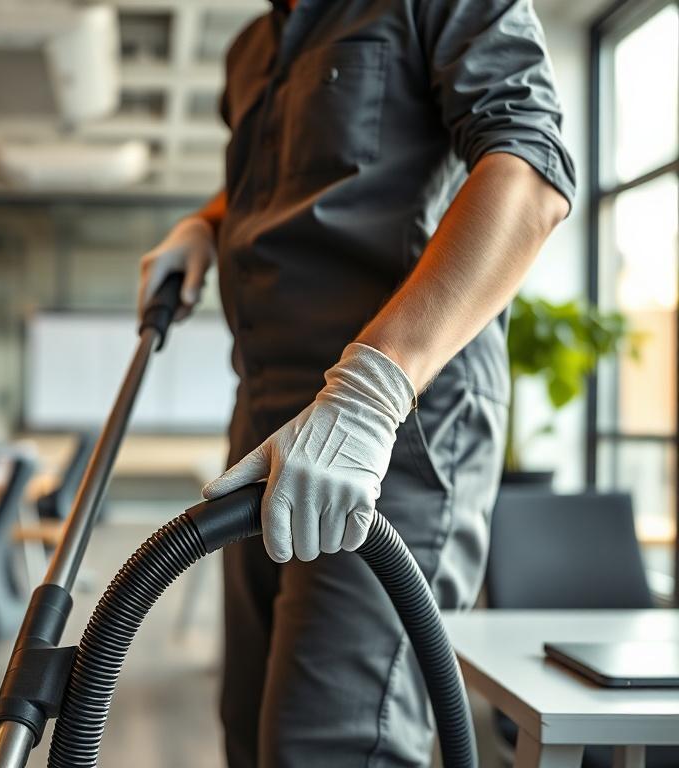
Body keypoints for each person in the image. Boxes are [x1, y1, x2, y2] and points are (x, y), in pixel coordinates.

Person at [136, 0, 574, 765]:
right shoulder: (252, 47)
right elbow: (296, 178)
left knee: (329, 744)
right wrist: (206, 223)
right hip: (269, 419)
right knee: (249, 731)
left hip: (395, 424)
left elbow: (528, 167)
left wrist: (371, 390)